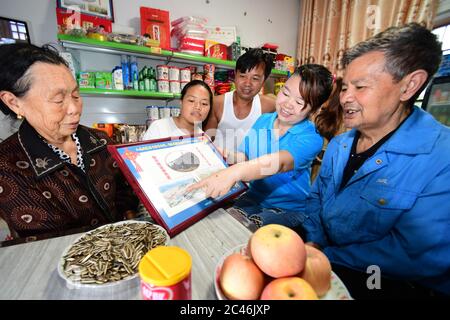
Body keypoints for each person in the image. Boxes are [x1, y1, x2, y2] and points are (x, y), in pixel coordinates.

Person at [304, 23, 450, 298]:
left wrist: (326, 255)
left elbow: (417, 255)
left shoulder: (442, 157)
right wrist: (313, 241)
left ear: (409, 86)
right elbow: (316, 200)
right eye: (345, 87)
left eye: (360, 87)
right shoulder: (339, 144)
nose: (346, 98)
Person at [0, 43, 140, 243]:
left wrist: (130, 217)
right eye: (58, 100)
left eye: (76, 95)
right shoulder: (8, 166)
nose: (74, 108)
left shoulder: (99, 140)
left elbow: (124, 191)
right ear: (14, 102)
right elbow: (50, 243)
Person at [188, 64, 341, 229]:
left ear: (315, 109)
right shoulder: (263, 120)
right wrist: (219, 152)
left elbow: (277, 163)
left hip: (288, 209)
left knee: (253, 230)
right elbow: (245, 157)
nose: (288, 104)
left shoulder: (311, 138)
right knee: (224, 221)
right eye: (286, 93)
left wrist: (234, 173)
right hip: (254, 197)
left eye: (299, 102)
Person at [204, 48, 276, 159]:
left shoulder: (268, 106)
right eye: (242, 76)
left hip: (248, 171)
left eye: (255, 78)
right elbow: (206, 143)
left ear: (263, 82)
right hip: (218, 168)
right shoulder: (218, 103)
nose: (247, 83)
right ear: (235, 75)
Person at [143, 80, 212, 140]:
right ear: (181, 102)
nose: (197, 107)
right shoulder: (159, 128)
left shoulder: (204, 139)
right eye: (191, 100)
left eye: (204, 103)